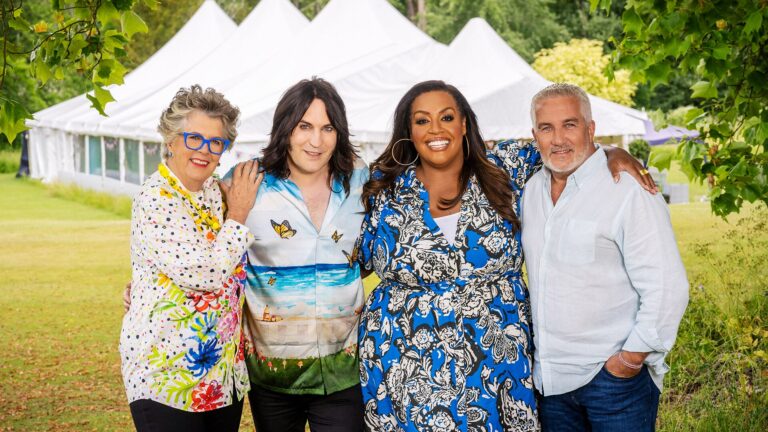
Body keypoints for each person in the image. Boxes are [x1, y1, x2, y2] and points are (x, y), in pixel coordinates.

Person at [355, 80, 654, 431]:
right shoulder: (383, 185)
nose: (435, 129)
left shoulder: (505, 166)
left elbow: (563, 145)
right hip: (404, 362)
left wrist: (610, 153)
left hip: (497, 365)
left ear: (464, 123)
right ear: (408, 130)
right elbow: (350, 259)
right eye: (422, 121)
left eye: (447, 117)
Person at [521, 83, 689, 431]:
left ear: (591, 129)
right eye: (546, 128)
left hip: (613, 383)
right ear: (534, 134)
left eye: (570, 124)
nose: (558, 139)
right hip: (549, 384)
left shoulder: (627, 190)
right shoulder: (529, 189)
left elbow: (667, 286)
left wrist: (628, 361)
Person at [119, 85, 262, 431]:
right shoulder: (157, 198)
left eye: (216, 142)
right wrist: (239, 214)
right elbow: (205, 274)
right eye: (194, 138)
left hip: (220, 376)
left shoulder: (217, 192)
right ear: (171, 139)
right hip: (167, 377)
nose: (205, 151)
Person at [232, 78, 367, 432]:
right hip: (273, 375)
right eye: (304, 126)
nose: (316, 141)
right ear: (285, 128)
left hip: (344, 372)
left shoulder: (363, 182)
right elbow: (206, 243)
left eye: (328, 128)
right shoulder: (247, 182)